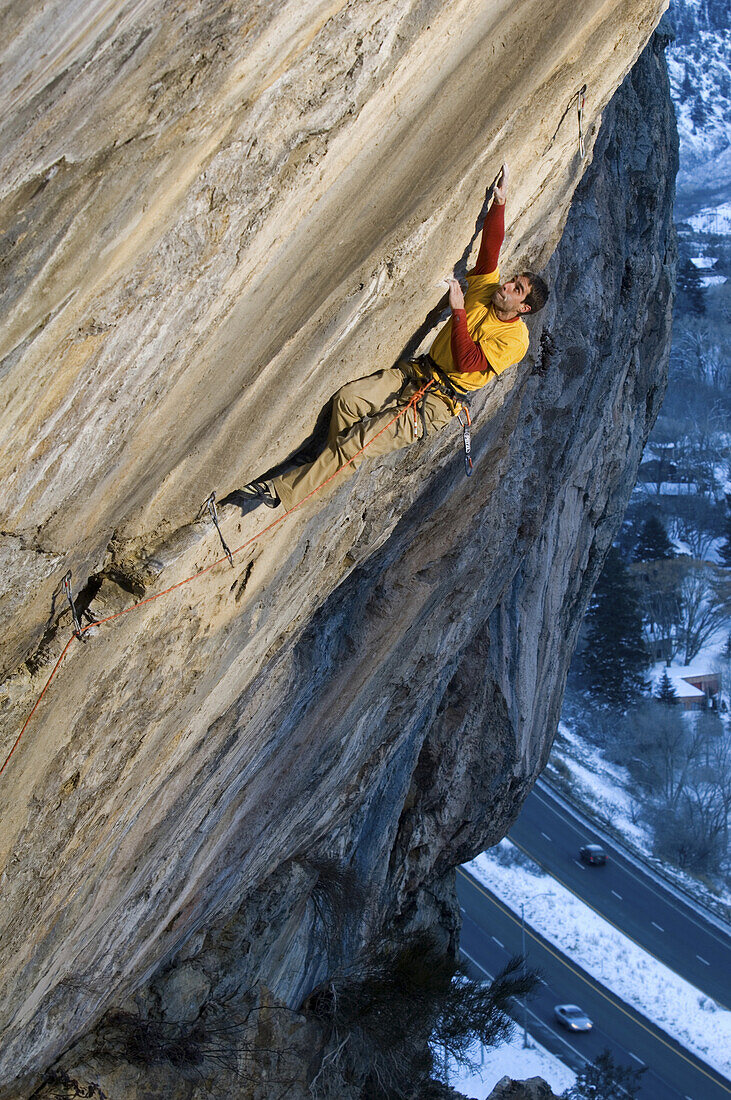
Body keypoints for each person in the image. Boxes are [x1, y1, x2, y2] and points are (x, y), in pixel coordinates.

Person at [222, 164, 548, 517]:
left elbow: (468, 361)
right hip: (416, 374)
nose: (507, 285)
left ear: (524, 307)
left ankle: (281, 492)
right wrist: (499, 204)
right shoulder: (487, 291)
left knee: (358, 442)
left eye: (516, 289)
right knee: (348, 401)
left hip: (434, 404)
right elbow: (490, 253)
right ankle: (329, 472)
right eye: (512, 280)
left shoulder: (516, 340)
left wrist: (457, 311)